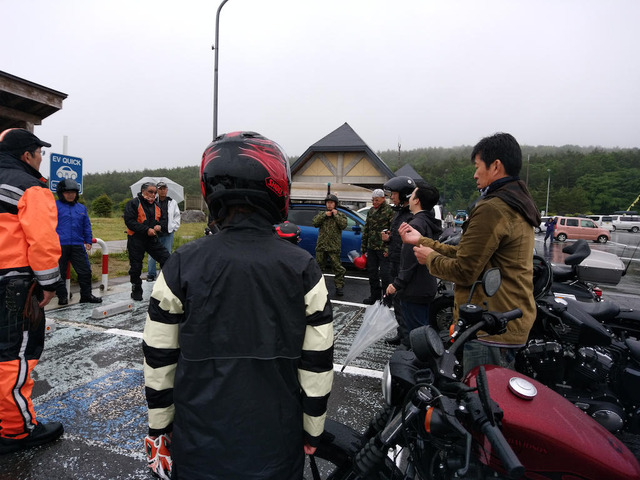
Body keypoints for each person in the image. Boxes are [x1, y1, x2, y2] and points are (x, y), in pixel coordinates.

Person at [142, 131, 334, 480]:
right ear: (277, 188)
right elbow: (317, 366)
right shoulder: (303, 267)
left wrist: (159, 428)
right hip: (276, 443)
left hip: (198, 446)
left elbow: (158, 359)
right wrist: (313, 430)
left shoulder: (181, 264)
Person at [400, 132, 541, 374]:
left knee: (479, 401)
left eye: (478, 166)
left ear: (496, 166)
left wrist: (430, 258)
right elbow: (467, 253)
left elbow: (464, 271)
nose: (475, 174)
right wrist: (422, 240)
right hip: (506, 320)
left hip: (489, 327)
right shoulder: (516, 201)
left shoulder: (493, 208)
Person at [0, 128, 64, 454]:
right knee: (14, 357)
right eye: (39, 153)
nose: (41, 159)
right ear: (27, 155)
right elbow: (41, 240)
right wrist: (50, 284)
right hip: (13, 284)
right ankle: (15, 430)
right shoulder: (31, 187)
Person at [386, 183, 442, 332]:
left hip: (415, 289)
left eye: (412, 196)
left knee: (417, 334)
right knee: (423, 330)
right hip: (426, 284)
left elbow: (409, 261)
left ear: (417, 201)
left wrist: (396, 284)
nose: (409, 199)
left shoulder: (415, 225)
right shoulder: (428, 221)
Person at [54, 178, 102, 304]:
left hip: (77, 244)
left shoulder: (81, 208)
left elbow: (86, 225)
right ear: (61, 193)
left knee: (85, 271)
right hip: (59, 245)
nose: (70, 195)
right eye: (67, 192)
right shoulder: (54, 206)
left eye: (73, 192)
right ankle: (62, 297)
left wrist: (88, 240)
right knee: (60, 273)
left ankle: (86, 295)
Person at [381, 175, 416, 346]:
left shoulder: (411, 216)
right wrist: (389, 239)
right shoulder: (400, 213)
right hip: (395, 261)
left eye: (394, 194)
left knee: (404, 302)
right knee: (397, 301)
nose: (391, 197)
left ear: (403, 195)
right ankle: (402, 334)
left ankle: (407, 340)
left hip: (404, 264)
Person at [123, 183, 170, 300]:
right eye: (150, 192)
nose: (153, 194)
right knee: (136, 267)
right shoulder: (133, 203)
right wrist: (146, 229)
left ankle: (164, 286)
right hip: (136, 239)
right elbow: (129, 221)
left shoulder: (157, 205)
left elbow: (163, 220)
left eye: (155, 192)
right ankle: (136, 289)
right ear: (143, 191)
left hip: (151, 239)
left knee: (167, 259)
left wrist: (159, 226)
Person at [361, 189, 394, 304]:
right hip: (372, 247)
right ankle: (374, 297)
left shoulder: (389, 211)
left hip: (383, 248)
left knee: (385, 275)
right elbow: (366, 229)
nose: (374, 202)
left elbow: (392, 231)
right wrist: (364, 247)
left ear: (383, 199)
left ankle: (387, 299)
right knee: (372, 273)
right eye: (373, 200)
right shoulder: (371, 211)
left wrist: (387, 248)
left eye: (377, 200)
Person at [313, 193, 347, 296]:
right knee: (318, 267)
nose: (329, 205)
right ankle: (317, 287)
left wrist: (335, 215)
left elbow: (343, 225)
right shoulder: (322, 214)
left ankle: (339, 286)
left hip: (334, 247)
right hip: (321, 246)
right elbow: (315, 223)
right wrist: (324, 215)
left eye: (331, 203)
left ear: (335, 204)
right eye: (328, 203)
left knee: (338, 268)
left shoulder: (340, 215)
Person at [146, 181, 181, 282]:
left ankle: (164, 274)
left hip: (167, 232)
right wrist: (152, 227)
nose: (162, 191)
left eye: (164, 189)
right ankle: (151, 274)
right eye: (160, 189)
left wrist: (173, 228)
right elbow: (148, 216)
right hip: (154, 233)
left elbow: (176, 217)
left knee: (166, 254)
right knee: (152, 254)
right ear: (157, 190)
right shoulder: (152, 202)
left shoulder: (172, 202)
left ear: (167, 190)